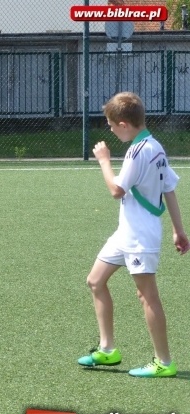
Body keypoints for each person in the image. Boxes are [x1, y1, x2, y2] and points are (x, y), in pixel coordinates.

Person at [78, 91, 189, 378]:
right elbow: (170, 189)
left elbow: (117, 190)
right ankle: (108, 349)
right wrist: (179, 230)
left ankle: (164, 362)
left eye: (112, 125)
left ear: (124, 124)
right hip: (125, 233)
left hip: (140, 236)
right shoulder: (156, 146)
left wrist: (103, 160)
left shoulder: (138, 151)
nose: (111, 131)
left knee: (147, 296)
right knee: (95, 280)